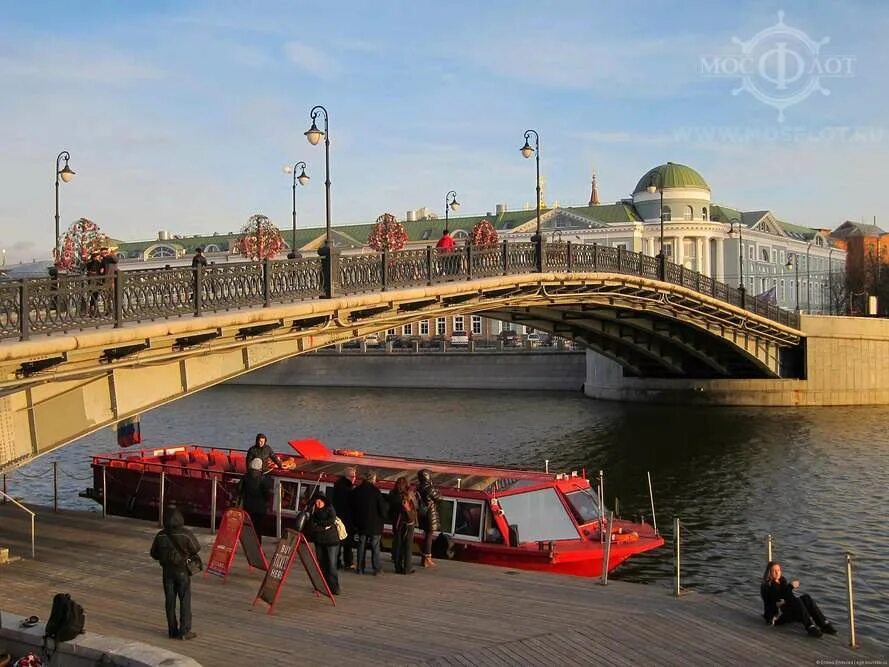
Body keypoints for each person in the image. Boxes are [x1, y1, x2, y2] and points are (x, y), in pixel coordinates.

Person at [150, 507, 201, 640]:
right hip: (182, 570)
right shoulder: (186, 534)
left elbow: (153, 554)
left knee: (170, 601)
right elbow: (196, 548)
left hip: (167, 571)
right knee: (185, 600)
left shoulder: (160, 535)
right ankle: (184, 631)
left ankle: (172, 630)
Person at [760, 561, 836, 637]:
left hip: (785, 609)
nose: (777, 573)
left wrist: (790, 589)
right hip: (776, 616)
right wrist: (790, 587)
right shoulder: (767, 586)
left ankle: (823, 624)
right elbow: (778, 597)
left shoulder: (782, 580)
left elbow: (788, 596)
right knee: (796, 601)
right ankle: (809, 626)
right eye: (774, 571)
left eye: (778, 570)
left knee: (806, 598)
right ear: (769, 573)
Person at [350, 470, 388, 575]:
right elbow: (382, 509)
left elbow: (352, 508)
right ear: (372, 479)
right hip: (375, 524)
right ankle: (376, 569)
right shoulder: (376, 492)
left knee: (361, 546)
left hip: (360, 524)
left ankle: (360, 568)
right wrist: (384, 517)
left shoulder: (356, 491)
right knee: (375, 546)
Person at [306, 491, 340, 595]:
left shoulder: (330, 508)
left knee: (332, 565)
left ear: (324, 501)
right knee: (321, 564)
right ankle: (322, 587)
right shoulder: (313, 510)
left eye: (320, 501)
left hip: (331, 541)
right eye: (316, 501)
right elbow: (312, 527)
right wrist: (324, 527)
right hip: (319, 541)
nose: (318, 503)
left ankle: (334, 588)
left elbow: (332, 520)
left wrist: (319, 525)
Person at [237, 457, 272, 542]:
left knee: (248, 527)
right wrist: (267, 502)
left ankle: (248, 545)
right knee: (258, 529)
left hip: (248, 507)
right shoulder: (263, 478)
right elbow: (267, 493)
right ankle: (257, 547)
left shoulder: (245, 477)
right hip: (260, 508)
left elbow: (239, 489)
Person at [389, 476, 418, 575]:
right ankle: (407, 568)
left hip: (396, 522)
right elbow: (415, 507)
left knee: (398, 544)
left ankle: (397, 567)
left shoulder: (392, 494)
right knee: (408, 546)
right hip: (407, 523)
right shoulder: (408, 494)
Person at [331, 466, 357, 570]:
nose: (355, 478)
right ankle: (348, 562)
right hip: (346, 519)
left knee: (338, 542)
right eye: (353, 476)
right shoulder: (347, 489)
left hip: (338, 517)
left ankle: (336, 561)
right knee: (347, 542)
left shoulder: (338, 485)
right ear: (348, 476)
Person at [416, 469, 442, 567]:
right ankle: (427, 558)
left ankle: (424, 557)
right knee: (429, 537)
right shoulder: (429, 488)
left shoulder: (419, 488)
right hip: (430, 515)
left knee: (426, 536)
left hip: (422, 514)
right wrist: (439, 492)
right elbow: (439, 498)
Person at [84, 251, 103, 317]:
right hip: (96, 282)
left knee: (93, 297)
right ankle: (94, 312)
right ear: (95, 257)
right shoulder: (97, 263)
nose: (98, 258)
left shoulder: (89, 263)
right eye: (97, 257)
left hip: (91, 282)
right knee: (95, 297)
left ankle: (93, 311)